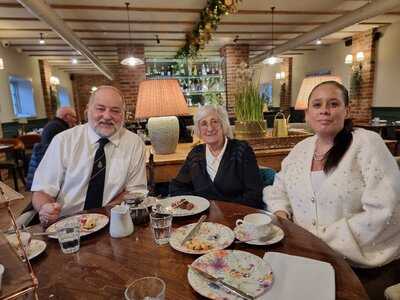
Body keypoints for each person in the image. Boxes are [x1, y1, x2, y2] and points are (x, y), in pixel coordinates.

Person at [264, 81, 400, 268]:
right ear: (307, 114)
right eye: (317, 104)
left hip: (358, 263)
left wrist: (318, 239)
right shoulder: (301, 149)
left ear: (347, 110)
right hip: (302, 253)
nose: (324, 110)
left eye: (333, 104)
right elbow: (278, 190)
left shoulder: (367, 143)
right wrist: (281, 215)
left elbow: (384, 210)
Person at [31, 86, 147, 226]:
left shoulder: (134, 143)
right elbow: (41, 192)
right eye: (100, 109)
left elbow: (134, 192)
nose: (107, 116)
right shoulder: (63, 141)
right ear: (87, 110)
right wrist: (45, 209)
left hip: (112, 221)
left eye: (115, 111)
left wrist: (101, 216)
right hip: (66, 224)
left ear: (123, 114)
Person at [169, 105, 263, 208]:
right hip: (202, 217)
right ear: (199, 130)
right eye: (204, 124)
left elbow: (254, 196)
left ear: (223, 125)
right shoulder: (196, 154)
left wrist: (220, 209)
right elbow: (177, 186)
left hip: (236, 218)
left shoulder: (242, 151)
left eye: (214, 122)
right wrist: (194, 204)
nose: (210, 128)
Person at [26, 107, 78, 190]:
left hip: (48, 161)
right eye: (74, 117)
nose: (75, 120)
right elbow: (66, 152)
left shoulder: (54, 124)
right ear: (67, 117)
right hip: (51, 167)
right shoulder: (58, 128)